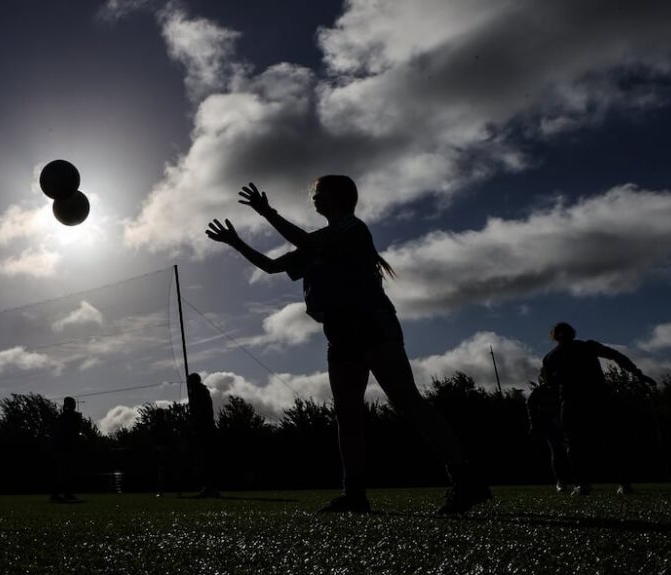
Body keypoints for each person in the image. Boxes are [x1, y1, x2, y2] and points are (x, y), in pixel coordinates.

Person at [205, 176, 491, 514]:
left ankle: (466, 478)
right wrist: (236, 242)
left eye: (319, 193)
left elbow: (308, 247)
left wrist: (267, 213)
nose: (314, 198)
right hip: (340, 333)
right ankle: (354, 494)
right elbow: (271, 267)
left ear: (339, 197)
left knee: (408, 402)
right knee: (347, 415)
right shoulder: (317, 240)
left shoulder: (352, 229)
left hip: (372, 324)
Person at [540, 322, 655, 496]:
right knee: (605, 441)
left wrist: (638, 373)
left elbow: (550, 384)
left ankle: (588, 484)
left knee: (587, 443)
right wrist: (637, 373)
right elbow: (617, 356)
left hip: (582, 400)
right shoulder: (561, 355)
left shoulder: (553, 357)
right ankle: (619, 484)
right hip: (586, 400)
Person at [526, 380, 569, 493]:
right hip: (549, 423)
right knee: (556, 450)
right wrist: (534, 422)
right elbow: (530, 403)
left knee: (570, 450)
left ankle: (578, 480)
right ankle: (560, 481)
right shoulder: (541, 391)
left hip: (566, 421)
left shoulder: (565, 387)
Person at [186, 373, 220, 498]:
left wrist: (194, 423)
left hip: (204, 429)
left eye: (189, 382)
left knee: (205, 459)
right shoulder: (201, 392)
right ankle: (208, 487)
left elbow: (199, 412)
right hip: (205, 428)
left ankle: (209, 487)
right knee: (204, 459)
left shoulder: (199, 393)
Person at [49, 397, 83, 503]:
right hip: (64, 446)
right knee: (63, 470)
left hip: (65, 446)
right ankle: (58, 494)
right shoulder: (70, 417)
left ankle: (65, 493)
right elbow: (74, 430)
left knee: (66, 470)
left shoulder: (63, 417)